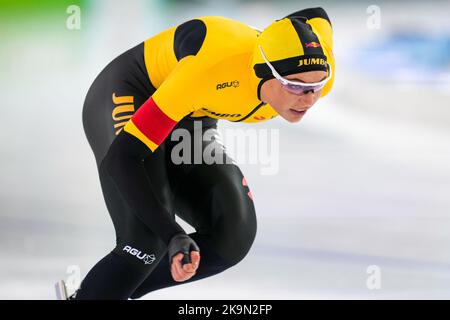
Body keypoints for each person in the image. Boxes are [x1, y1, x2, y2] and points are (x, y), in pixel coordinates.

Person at [68, 7, 335, 299]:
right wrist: (172, 234)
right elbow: (122, 160)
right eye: (295, 86)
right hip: (136, 91)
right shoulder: (209, 71)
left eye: (317, 86)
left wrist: (279, 38)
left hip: (192, 114)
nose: (309, 98)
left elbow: (316, 13)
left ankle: (104, 293)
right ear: (263, 71)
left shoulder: (316, 66)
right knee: (146, 241)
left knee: (232, 236)